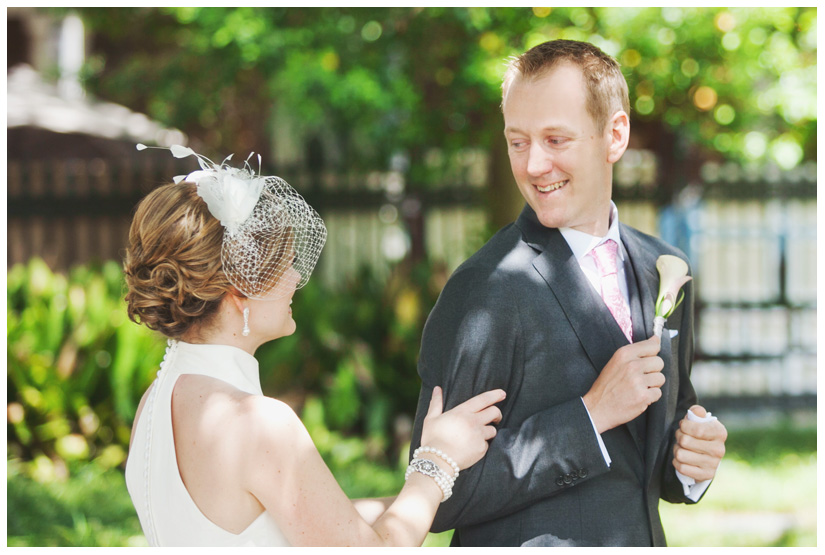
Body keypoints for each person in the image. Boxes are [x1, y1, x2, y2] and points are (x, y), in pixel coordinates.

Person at [409, 39, 727, 547]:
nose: (534, 165)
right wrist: (591, 415)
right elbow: (442, 494)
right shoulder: (485, 289)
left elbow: (651, 452)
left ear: (614, 135)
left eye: (556, 140)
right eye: (518, 141)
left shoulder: (664, 269)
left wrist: (692, 460)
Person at [123, 145, 505, 547]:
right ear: (239, 290)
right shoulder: (259, 423)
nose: (293, 277)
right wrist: (436, 462)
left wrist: (443, 502)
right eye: (281, 265)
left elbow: (294, 523)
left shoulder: (155, 404)